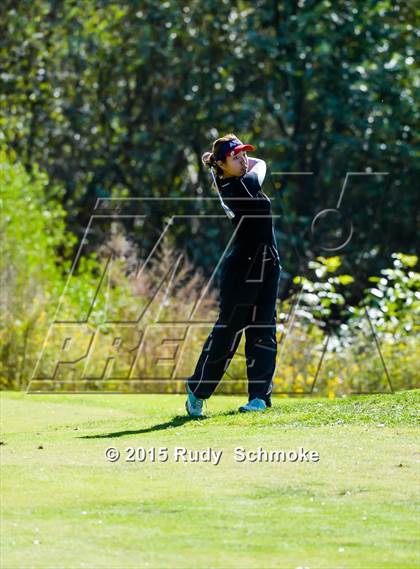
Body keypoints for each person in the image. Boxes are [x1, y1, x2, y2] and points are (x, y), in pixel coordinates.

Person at [185, 133, 282, 417]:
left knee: (264, 330)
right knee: (229, 333)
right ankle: (198, 390)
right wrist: (241, 164)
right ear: (221, 166)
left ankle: (259, 398)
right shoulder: (233, 187)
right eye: (235, 157)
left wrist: (235, 157)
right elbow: (260, 165)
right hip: (242, 268)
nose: (242, 161)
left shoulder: (237, 176)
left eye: (243, 155)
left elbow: (258, 161)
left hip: (268, 262)